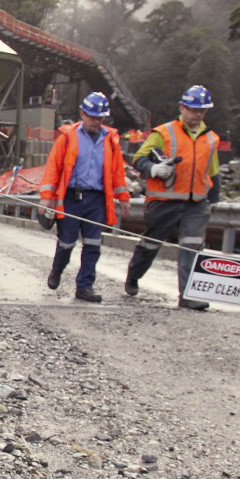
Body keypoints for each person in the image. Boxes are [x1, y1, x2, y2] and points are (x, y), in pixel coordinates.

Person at [125, 85, 221, 310]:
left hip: (195, 204)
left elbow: (213, 171)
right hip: (164, 202)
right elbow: (139, 159)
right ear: (182, 108)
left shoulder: (212, 139)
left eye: (202, 111)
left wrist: (214, 198)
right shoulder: (164, 133)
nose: (197, 115)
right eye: (193, 110)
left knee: (192, 246)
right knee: (150, 245)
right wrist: (155, 169)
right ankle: (134, 275)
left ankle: (187, 295)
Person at [39, 92, 131, 303]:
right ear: (83, 114)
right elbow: (54, 167)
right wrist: (47, 197)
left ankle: (85, 286)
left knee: (92, 244)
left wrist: (124, 197)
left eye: (100, 118)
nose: (96, 121)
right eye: (92, 117)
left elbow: (117, 171)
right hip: (71, 197)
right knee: (67, 242)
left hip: (96, 199)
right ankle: (57, 270)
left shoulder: (110, 140)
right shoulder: (68, 137)